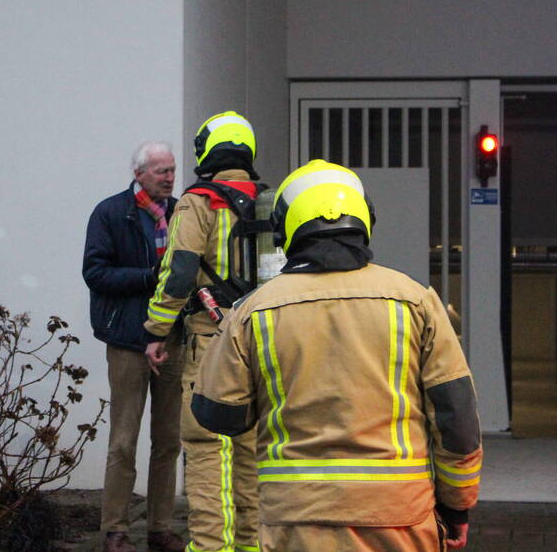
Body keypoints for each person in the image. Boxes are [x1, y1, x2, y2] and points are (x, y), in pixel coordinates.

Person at [191, 159, 483, 552]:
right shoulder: (416, 301)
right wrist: (457, 508)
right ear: (365, 219)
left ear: (284, 230)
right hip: (398, 517)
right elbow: (457, 418)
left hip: (295, 518)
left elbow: (217, 414)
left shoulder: (252, 311)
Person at [144, 112, 261, 552]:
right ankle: (250, 544)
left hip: (212, 342)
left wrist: (156, 330)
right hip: (262, 342)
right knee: (250, 452)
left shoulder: (198, 200)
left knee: (208, 448)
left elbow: (178, 273)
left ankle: (212, 546)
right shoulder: (269, 202)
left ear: (206, 151)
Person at [83, 141, 187, 552]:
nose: (169, 177)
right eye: (161, 170)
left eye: (172, 169)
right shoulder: (110, 213)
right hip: (127, 340)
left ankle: (160, 528)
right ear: (138, 173)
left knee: (169, 440)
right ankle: (116, 531)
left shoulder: (181, 212)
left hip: (173, 340)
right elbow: (95, 272)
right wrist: (150, 277)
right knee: (123, 440)